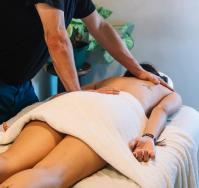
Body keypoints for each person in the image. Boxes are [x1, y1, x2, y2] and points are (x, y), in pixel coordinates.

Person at [0, 0, 170, 124]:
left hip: (21, 85)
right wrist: (78, 98)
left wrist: (138, 70)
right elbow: (56, 37)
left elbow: (100, 27)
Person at [0, 64, 182, 187]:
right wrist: (148, 138)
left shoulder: (111, 81)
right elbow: (162, 111)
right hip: (112, 111)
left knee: (9, 161)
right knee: (49, 174)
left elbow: (73, 93)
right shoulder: (166, 89)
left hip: (75, 100)